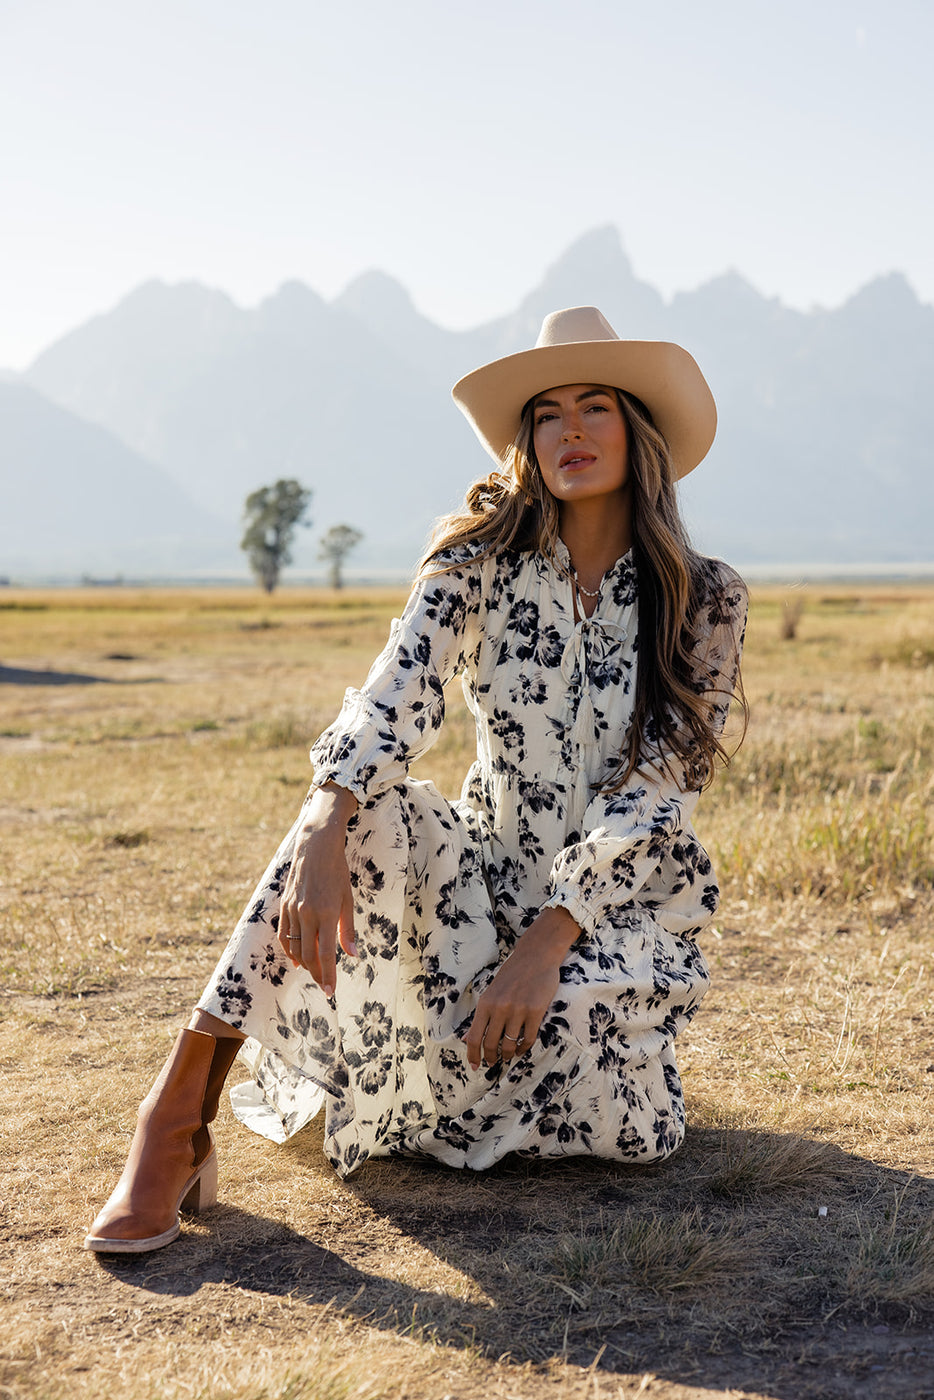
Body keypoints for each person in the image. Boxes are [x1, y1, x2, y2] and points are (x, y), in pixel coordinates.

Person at [85, 305, 747, 1254]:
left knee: (626, 1127)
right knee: (361, 810)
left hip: (617, 911)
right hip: (474, 878)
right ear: (529, 438)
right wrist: (325, 820)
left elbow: (663, 785)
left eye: (593, 406)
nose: (569, 431)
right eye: (548, 413)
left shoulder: (705, 596)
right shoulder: (474, 563)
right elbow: (394, 697)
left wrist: (549, 940)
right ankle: (177, 1113)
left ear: (635, 431)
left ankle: (432, 1069)